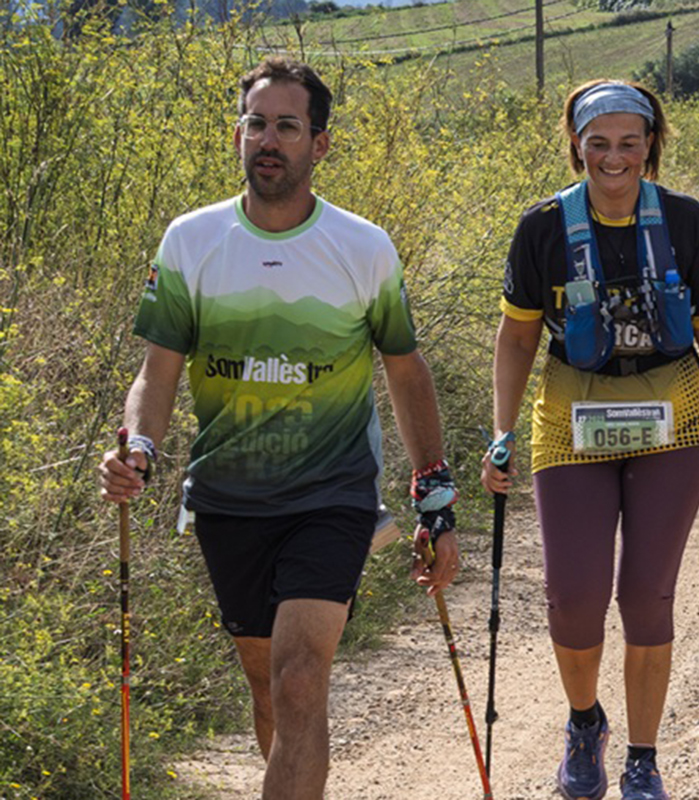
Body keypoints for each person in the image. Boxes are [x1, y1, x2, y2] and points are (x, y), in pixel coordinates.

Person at [96, 57, 460, 800]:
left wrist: (434, 492)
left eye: (287, 126)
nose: (269, 140)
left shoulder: (363, 248)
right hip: (229, 499)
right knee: (269, 693)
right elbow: (157, 373)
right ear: (238, 135)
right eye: (256, 124)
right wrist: (139, 446)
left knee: (300, 682)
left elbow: (405, 369)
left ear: (318, 145)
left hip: (332, 497)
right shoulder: (191, 242)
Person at [482, 80, 699, 800]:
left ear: (651, 144)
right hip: (570, 410)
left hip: (669, 410)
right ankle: (586, 724)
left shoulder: (682, 220)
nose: (614, 158)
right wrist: (501, 431)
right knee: (573, 597)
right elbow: (519, 337)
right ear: (577, 144)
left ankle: (642, 758)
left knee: (646, 594)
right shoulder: (544, 226)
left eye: (629, 142)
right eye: (599, 142)